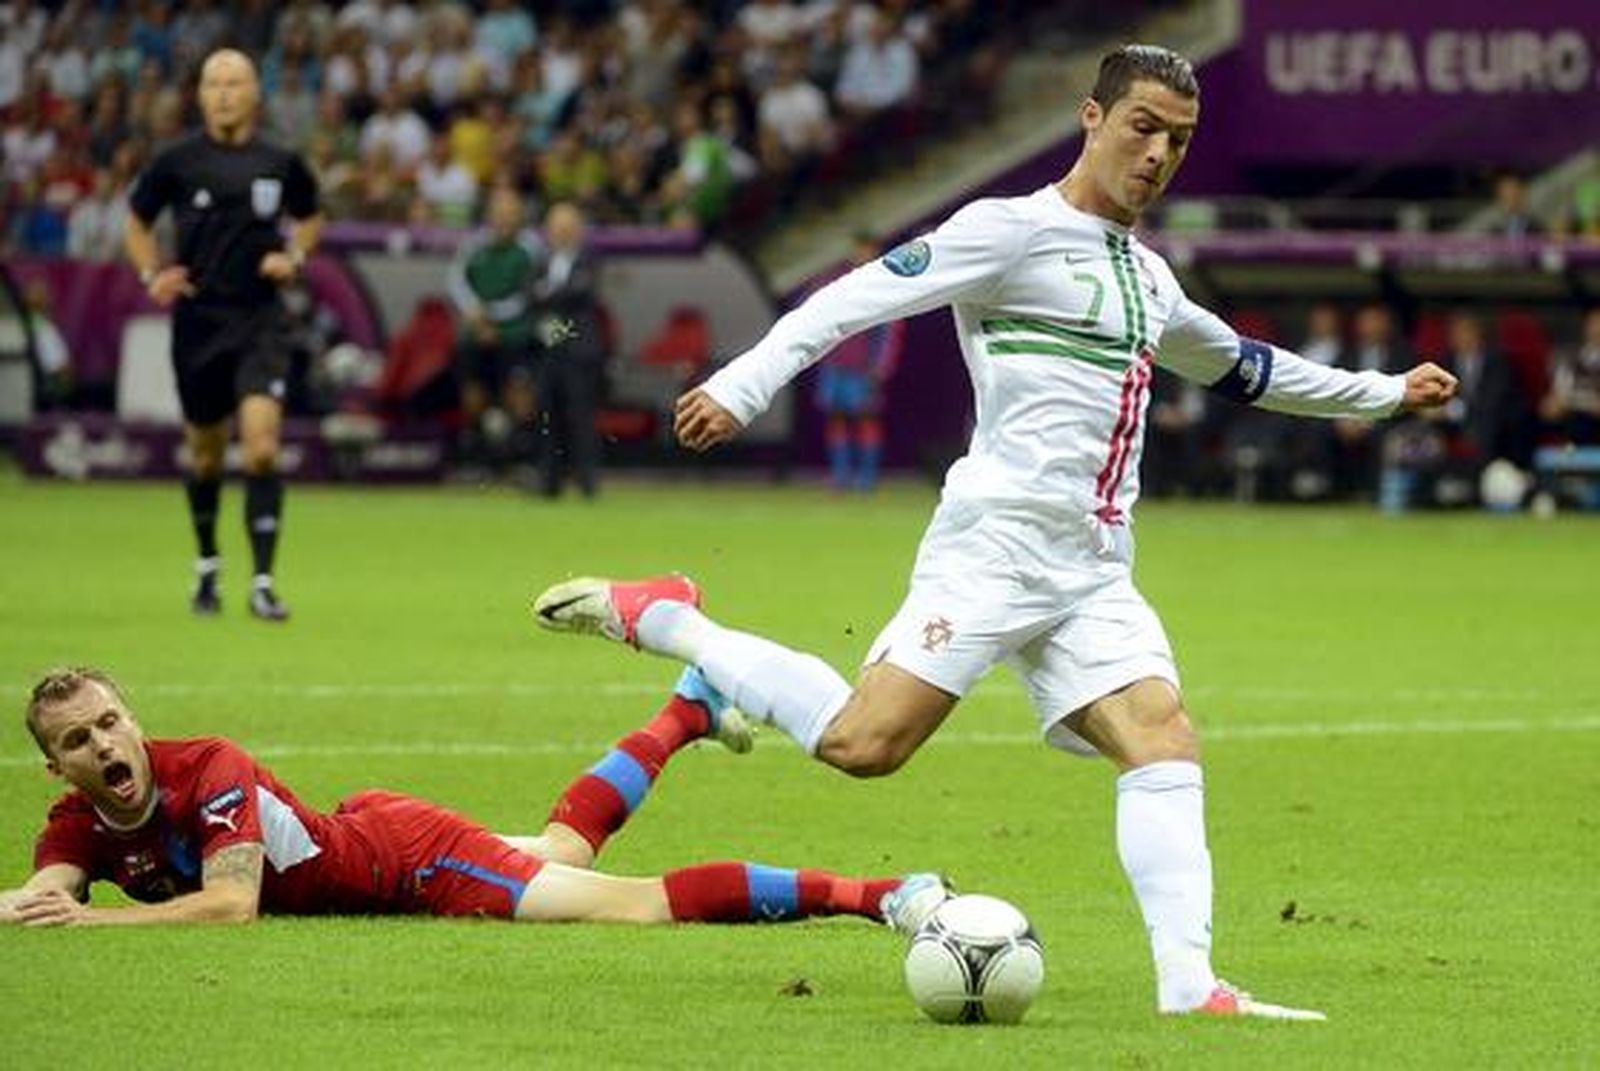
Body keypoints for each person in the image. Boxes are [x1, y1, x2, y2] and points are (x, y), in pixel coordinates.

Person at [536, 45, 1459, 1020]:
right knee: (864, 746)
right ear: (1091, 118)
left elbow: (1245, 368)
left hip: (1094, 570)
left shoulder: (1148, 280)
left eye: (1178, 141)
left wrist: (1385, 394)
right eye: (1142, 127)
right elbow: (858, 299)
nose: (1157, 155)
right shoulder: (1009, 233)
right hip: (993, 551)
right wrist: (741, 383)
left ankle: (1192, 989)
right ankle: (676, 625)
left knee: (1161, 739)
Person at [1, 666, 941, 932]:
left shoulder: (207, 765)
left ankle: (879, 892)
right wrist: (33, 902)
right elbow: (49, 894)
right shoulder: (76, 819)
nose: (105, 744)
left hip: (415, 864)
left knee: (634, 903)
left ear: (133, 717)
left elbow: (232, 905)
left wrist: (90, 926)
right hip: (368, 832)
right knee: (560, 853)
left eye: (111, 721)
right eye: (79, 741)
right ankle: (686, 708)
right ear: (59, 767)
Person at [124, 48, 323, 622]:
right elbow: (136, 221)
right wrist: (151, 274)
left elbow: (310, 216)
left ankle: (263, 582)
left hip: (261, 320)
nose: (225, 93)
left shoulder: (281, 160)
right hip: (199, 323)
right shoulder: (176, 160)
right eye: (214, 83)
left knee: (261, 447)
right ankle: (208, 565)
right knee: (206, 458)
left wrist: (295, 256)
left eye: (236, 82)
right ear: (201, 95)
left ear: (255, 92)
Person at [446, 184, 542, 474]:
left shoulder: (531, 249)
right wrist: (473, 312)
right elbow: (456, 280)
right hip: (476, 332)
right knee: (473, 395)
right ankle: (480, 460)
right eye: (499, 213)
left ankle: (522, 460)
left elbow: (529, 294)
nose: (504, 220)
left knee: (520, 397)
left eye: (510, 214)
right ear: (489, 215)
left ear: (520, 217)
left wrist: (492, 318)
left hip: (516, 333)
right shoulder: (473, 246)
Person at [814, 231, 904, 492]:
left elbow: (890, 330)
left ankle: (867, 479)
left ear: (875, 251)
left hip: (863, 368)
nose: (862, 254)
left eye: (867, 249)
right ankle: (840, 476)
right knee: (837, 418)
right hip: (836, 362)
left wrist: (880, 366)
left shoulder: (885, 283)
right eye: (859, 249)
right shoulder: (840, 280)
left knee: (866, 419)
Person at [532, 200, 608, 499]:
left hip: (580, 353)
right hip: (549, 351)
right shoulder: (540, 262)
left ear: (578, 230)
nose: (562, 233)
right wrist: (550, 301)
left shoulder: (589, 261)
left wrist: (547, 295)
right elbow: (531, 296)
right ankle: (549, 481)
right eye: (556, 227)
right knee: (548, 417)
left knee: (581, 417)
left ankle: (587, 481)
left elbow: (578, 296)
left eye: (568, 227)